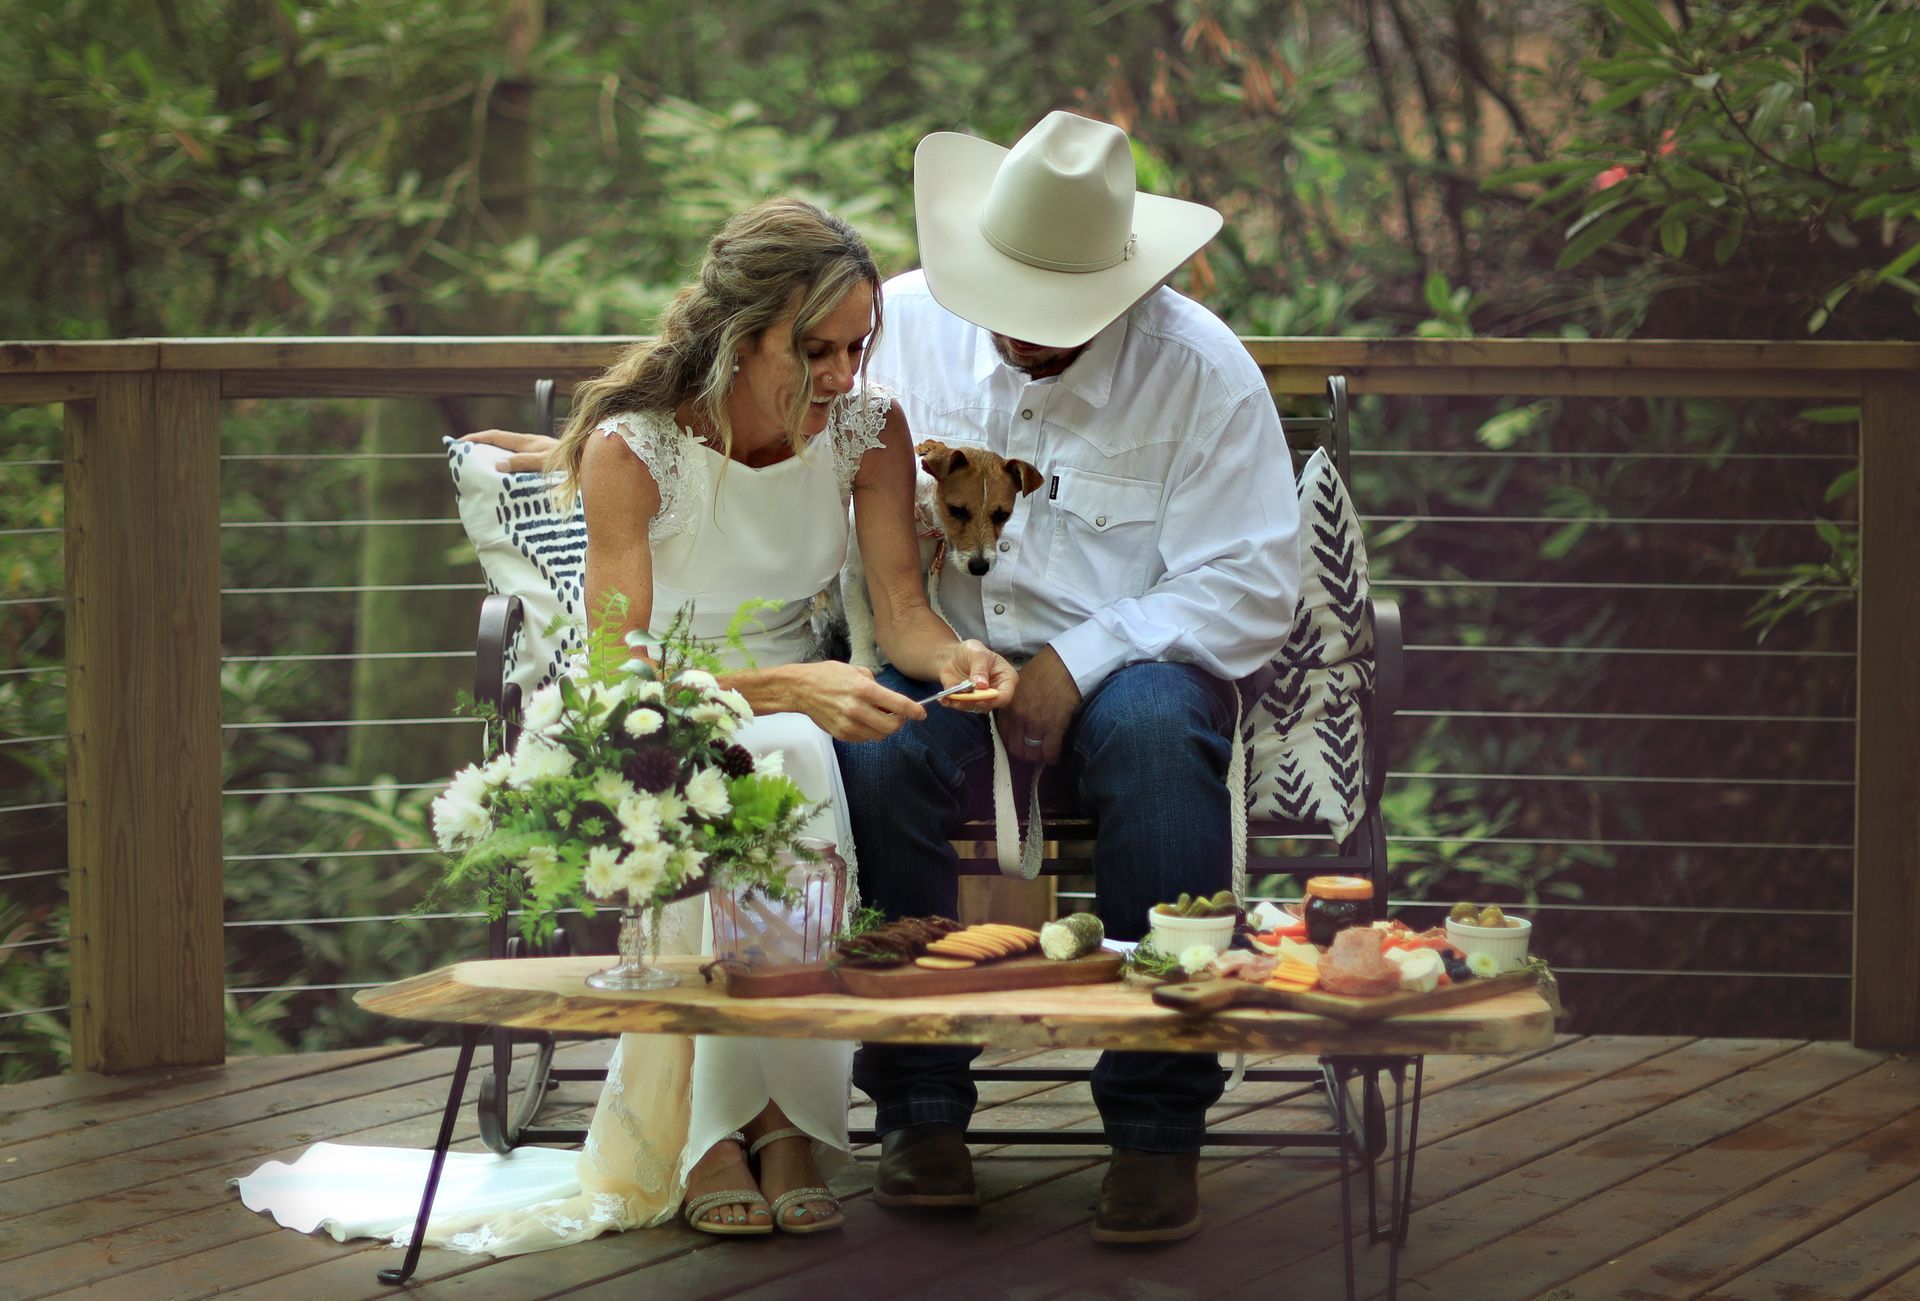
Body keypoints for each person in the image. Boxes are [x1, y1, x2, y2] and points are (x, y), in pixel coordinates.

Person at [237, 197, 1016, 1252]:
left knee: (787, 747)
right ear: (741, 335)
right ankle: (739, 1129)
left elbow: (907, 614)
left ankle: (763, 1122)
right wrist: (791, 686)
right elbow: (619, 667)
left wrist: (960, 659)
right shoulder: (633, 447)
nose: (844, 374)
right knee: (781, 740)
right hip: (634, 714)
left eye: (858, 345)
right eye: (815, 349)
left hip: (788, 704)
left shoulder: (869, 435)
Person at [834, 111, 1302, 1244]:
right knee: (884, 740)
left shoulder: (1201, 370)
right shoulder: (888, 331)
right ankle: (921, 1105)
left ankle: (1155, 1127)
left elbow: (1252, 584)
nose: (1029, 338)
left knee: (1155, 732)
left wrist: (1077, 660)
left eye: (1063, 322)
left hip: (1128, 665)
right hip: (932, 650)